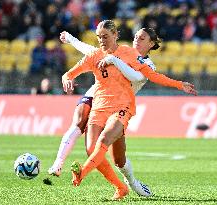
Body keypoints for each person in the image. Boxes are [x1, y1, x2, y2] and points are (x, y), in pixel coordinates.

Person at [61, 20, 197, 200]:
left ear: (150, 44)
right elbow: (89, 53)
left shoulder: (142, 61)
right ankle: (121, 187)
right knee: (107, 154)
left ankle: (121, 180)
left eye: (142, 38)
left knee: (109, 146)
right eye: (135, 37)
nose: (136, 40)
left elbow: (138, 76)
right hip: (100, 103)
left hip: (122, 106)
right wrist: (70, 44)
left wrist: (179, 85)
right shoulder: (112, 51)